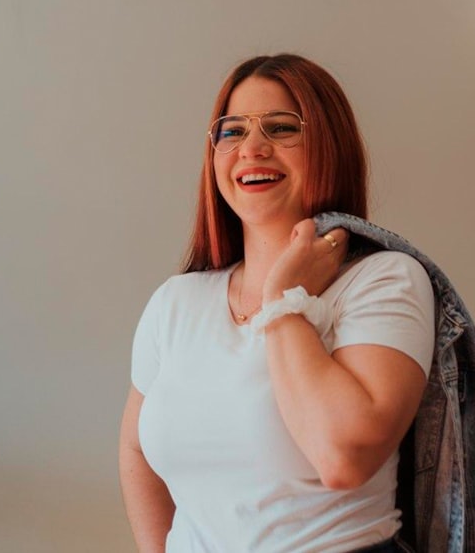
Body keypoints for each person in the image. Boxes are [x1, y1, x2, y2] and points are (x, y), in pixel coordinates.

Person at [118, 54, 435, 553]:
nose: (253, 147)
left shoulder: (385, 280)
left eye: (282, 128)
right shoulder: (175, 302)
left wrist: (286, 300)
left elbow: (344, 458)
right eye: (232, 131)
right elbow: (136, 448)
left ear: (329, 146)